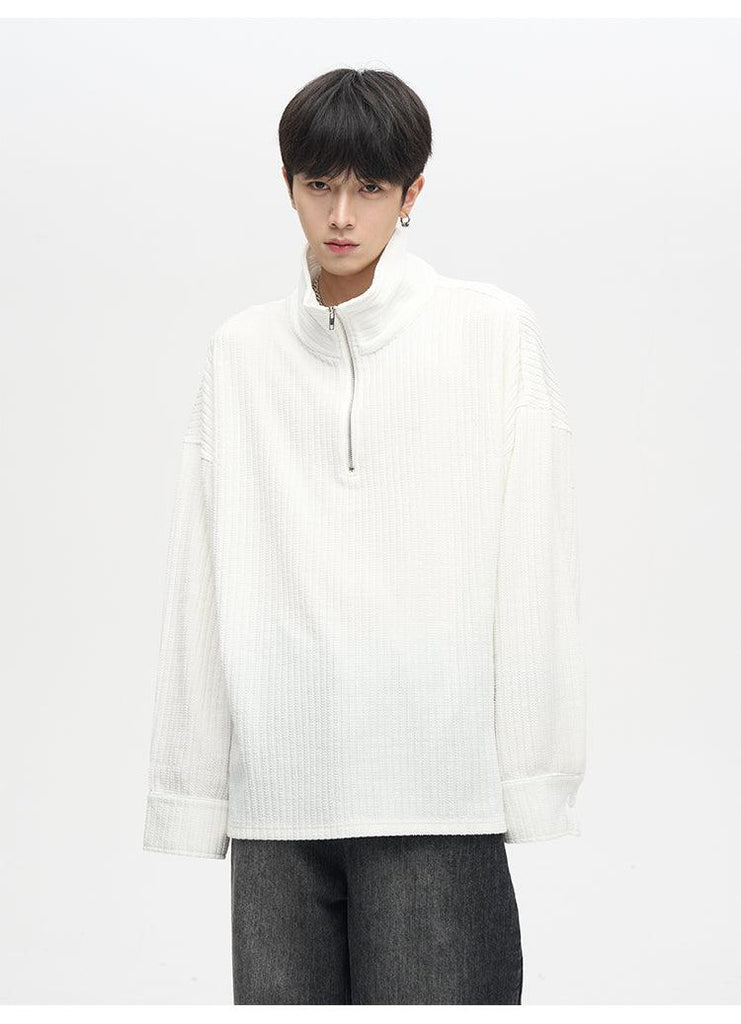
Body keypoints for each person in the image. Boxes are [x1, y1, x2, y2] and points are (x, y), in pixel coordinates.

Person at [142, 67, 587, 1006]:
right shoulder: (241, 353)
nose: (341, 215)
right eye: (318, 185)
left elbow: (534, 566)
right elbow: (200, 578)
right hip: (277, 808)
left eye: (371, 188)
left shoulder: (490, 332)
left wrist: (534, 775)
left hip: (437, 797)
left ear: (412, 192)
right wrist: (193, 793)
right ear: (287, 185)